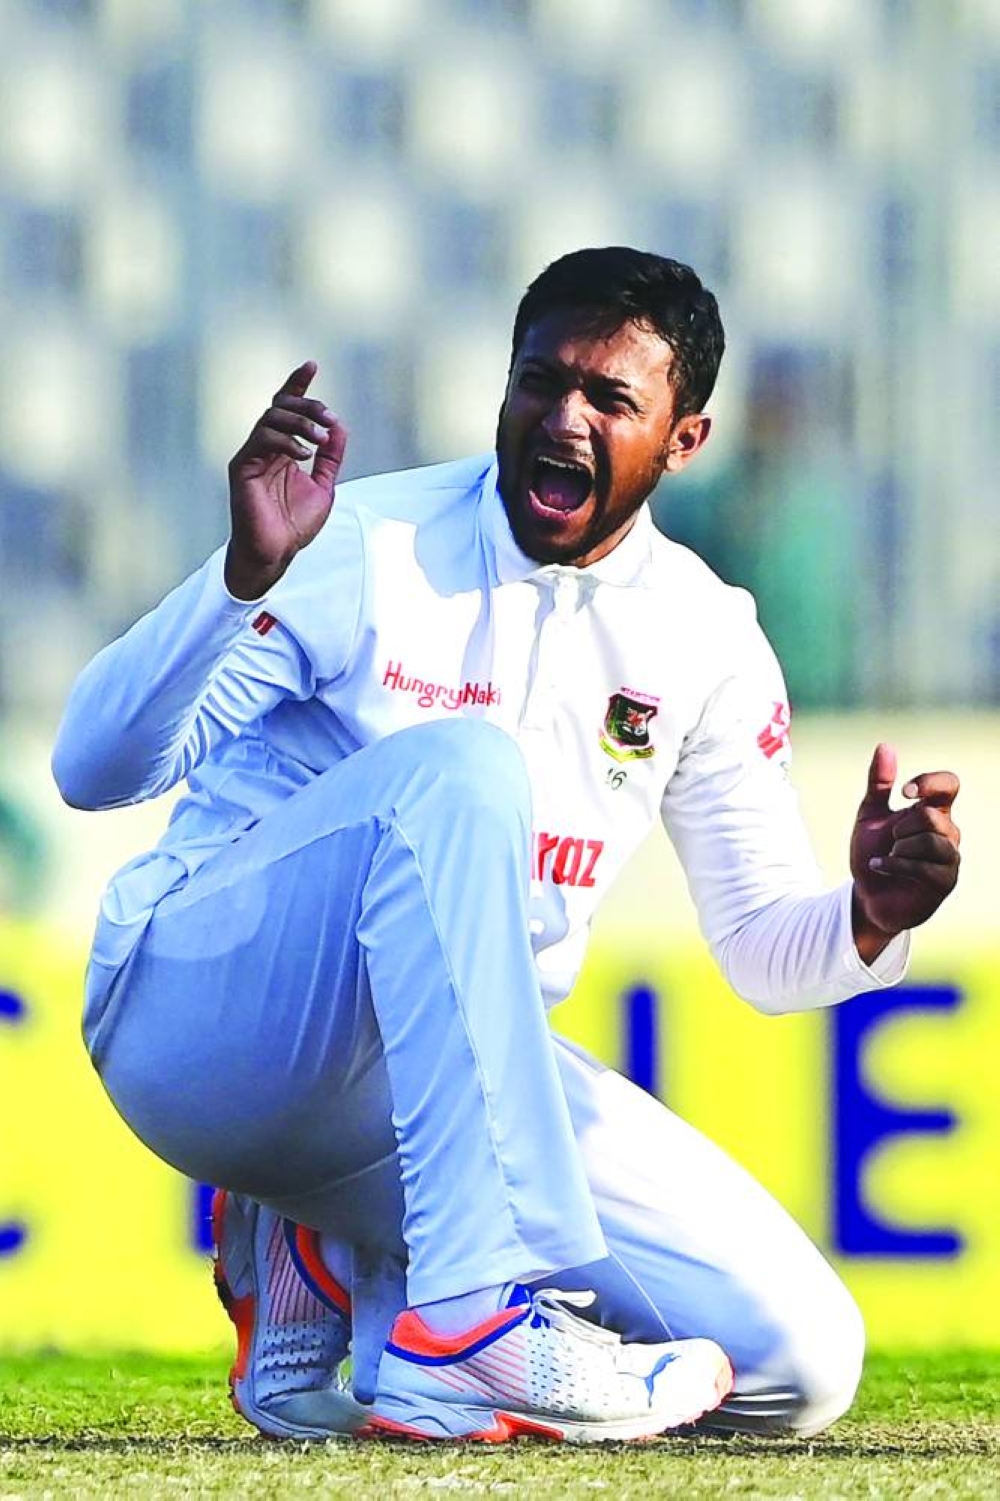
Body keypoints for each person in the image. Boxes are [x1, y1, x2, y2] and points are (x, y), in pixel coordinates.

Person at [52, 247, 960, 1445]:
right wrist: (239, 579)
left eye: (611, 401)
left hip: (429, 1098)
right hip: (201, 1022)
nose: (563, 418)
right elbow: (95, 769)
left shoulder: (704, 637)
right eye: (541, 381)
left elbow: (760, 950)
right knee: (462, 765)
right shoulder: (362, 542)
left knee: (801, 1362)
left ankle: (352, 1288)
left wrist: (868, 914)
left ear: (683, 441)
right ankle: (465, 1317)